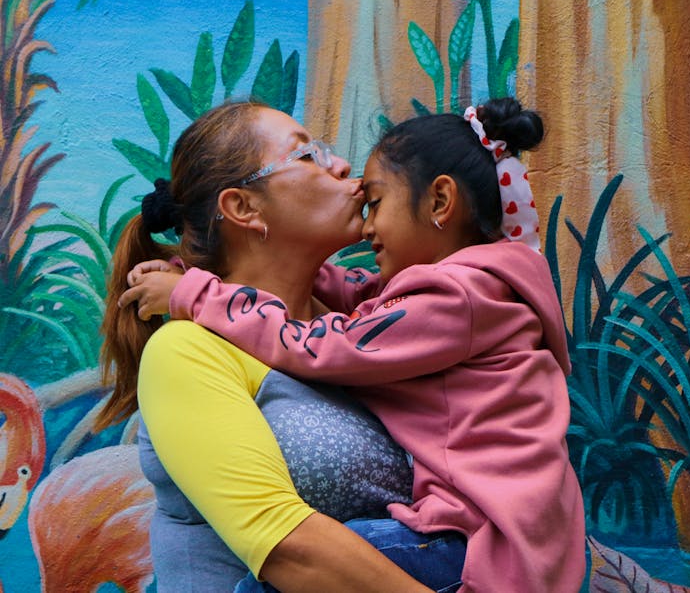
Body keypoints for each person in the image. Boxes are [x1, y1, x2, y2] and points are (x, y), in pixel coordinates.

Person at [122, 98, 587, 592]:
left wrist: (198, 289)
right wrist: (196, 286)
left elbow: (330, 326)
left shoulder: (374, 323)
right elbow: (288, 549)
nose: (342, 165)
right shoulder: (189, 350)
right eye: (308, 156)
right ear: (243, 207)